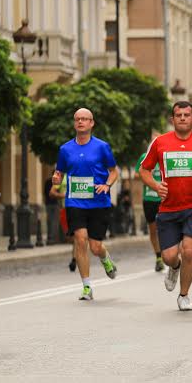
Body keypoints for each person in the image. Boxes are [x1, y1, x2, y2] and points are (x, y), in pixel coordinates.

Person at [139, 101, 192, 312]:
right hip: (168, 208)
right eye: (179, 115)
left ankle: (184, 295)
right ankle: (174, 268)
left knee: (188, 251)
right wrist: (156, 186)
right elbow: (143, 170)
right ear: (172, 119)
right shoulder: (160, 142)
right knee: (169, 256)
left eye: (187, 115)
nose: (183, 118)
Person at [52, 108, 119, 301]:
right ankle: (87, 286)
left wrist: (107, 185)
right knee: (80, 239)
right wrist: (56, 179)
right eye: (78, 119)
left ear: (92, 123)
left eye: (85, 119)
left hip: (98, 202)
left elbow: (114, 171)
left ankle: (105, 259)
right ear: (74, 123)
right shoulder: (65, 149)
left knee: (96, 247)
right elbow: (59, 173)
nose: (81, 122)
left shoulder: (102, 147)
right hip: (75, 201)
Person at [136, 150, 165, 272]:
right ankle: (158, 257)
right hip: (149, 199)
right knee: (153, 229)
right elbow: (136, 175)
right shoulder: (144, 156)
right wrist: (147, 174)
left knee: (164, 228)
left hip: (163, 198)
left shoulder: (165, 157)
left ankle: (167, 254)